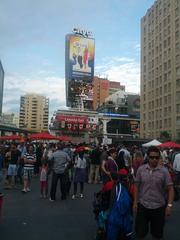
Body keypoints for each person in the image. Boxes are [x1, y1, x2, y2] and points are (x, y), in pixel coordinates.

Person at [133, 146, 174, 240]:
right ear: (147, 157)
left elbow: (170, 188)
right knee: (140, 233)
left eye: (156, 157)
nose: (154, 160)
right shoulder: (141, 169)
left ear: (159, 158)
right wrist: (135, 202)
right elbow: (136, 186)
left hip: (159, 207)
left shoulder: (164, 171)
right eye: (152, 157)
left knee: (157, 235)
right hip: (143, 205)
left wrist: (169, 205)